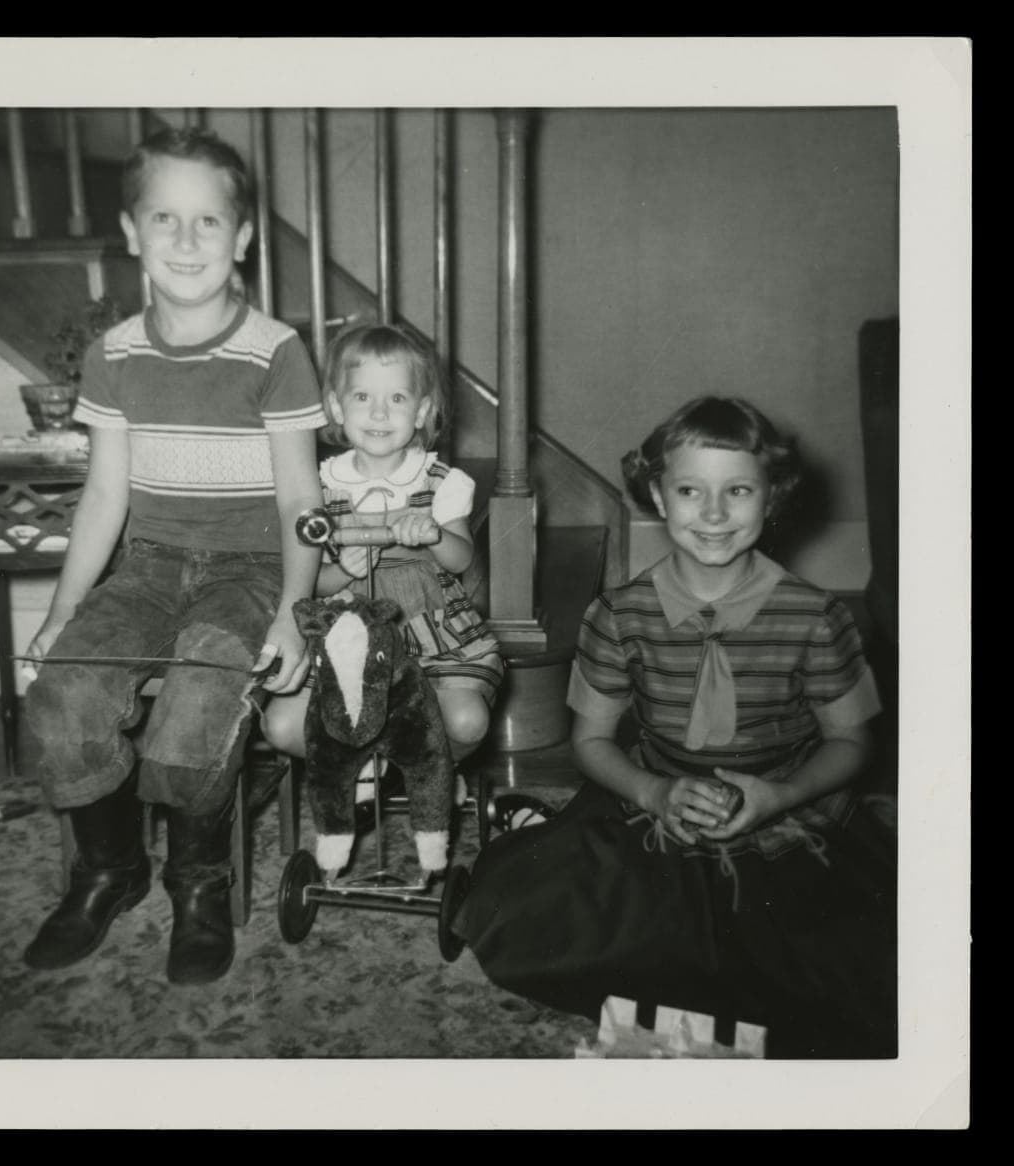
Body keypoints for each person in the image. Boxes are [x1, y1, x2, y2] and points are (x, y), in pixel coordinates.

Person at [451, 396, 897, 1058]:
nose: (713, 514)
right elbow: (592, 743)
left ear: (771, 497)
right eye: (691, 491)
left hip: (788, 804)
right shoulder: (618, 613)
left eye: (738, 491)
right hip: (656, 795)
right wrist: (657, 794)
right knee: (554, 926)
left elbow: (851, 743)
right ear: (659, 497)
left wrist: (775, 797)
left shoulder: (817, 616)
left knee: (852, 972)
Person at [19, 128, 326, 986]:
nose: (187, 241)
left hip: (252, 568)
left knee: (200, 691)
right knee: (66, 689)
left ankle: (200, 882)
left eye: (208, 221)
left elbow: (305, 504)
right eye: (166, 218)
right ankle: (109, 871)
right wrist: (59, 610)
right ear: (131, 233)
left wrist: (294, 614)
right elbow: (106, 498)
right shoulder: (114, 355)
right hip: (149, 562)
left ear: (243, 238)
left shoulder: (276, 352)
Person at [261, 322, 504, 815]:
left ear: (423, 410)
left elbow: (462, 562)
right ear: (334, 407)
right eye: (362, 396)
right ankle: (360, 761)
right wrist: (343, 571)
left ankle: (435, 767)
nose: (377, 413)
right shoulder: (321, 486)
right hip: (344, 634)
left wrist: (435, 535)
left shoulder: (440, 481)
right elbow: (316, 581)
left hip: (427, 631)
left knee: (465, 722)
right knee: (282, 726)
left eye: (396, 399)